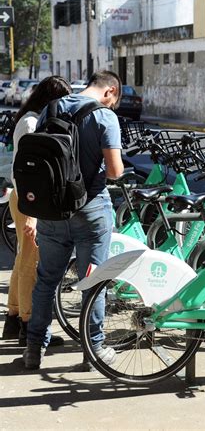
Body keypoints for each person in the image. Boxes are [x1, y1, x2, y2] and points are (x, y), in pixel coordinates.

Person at [22, 70, 124, 370]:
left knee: (47, 281)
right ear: (110, 92)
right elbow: (116, 171)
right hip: (91, 211)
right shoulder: (105, 117)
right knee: (93, 283)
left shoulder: (50, 109)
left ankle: (33, 349)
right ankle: (92, 351)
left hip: (52, 212)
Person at [2, 76, 72, 347]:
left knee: (23, 259)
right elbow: (30, 169)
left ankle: (14, 316)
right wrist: (33, 210)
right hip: (28, 198)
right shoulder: (32, 123)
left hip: (24, 197)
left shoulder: (29, 119)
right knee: (30, 262)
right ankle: (29, 325)